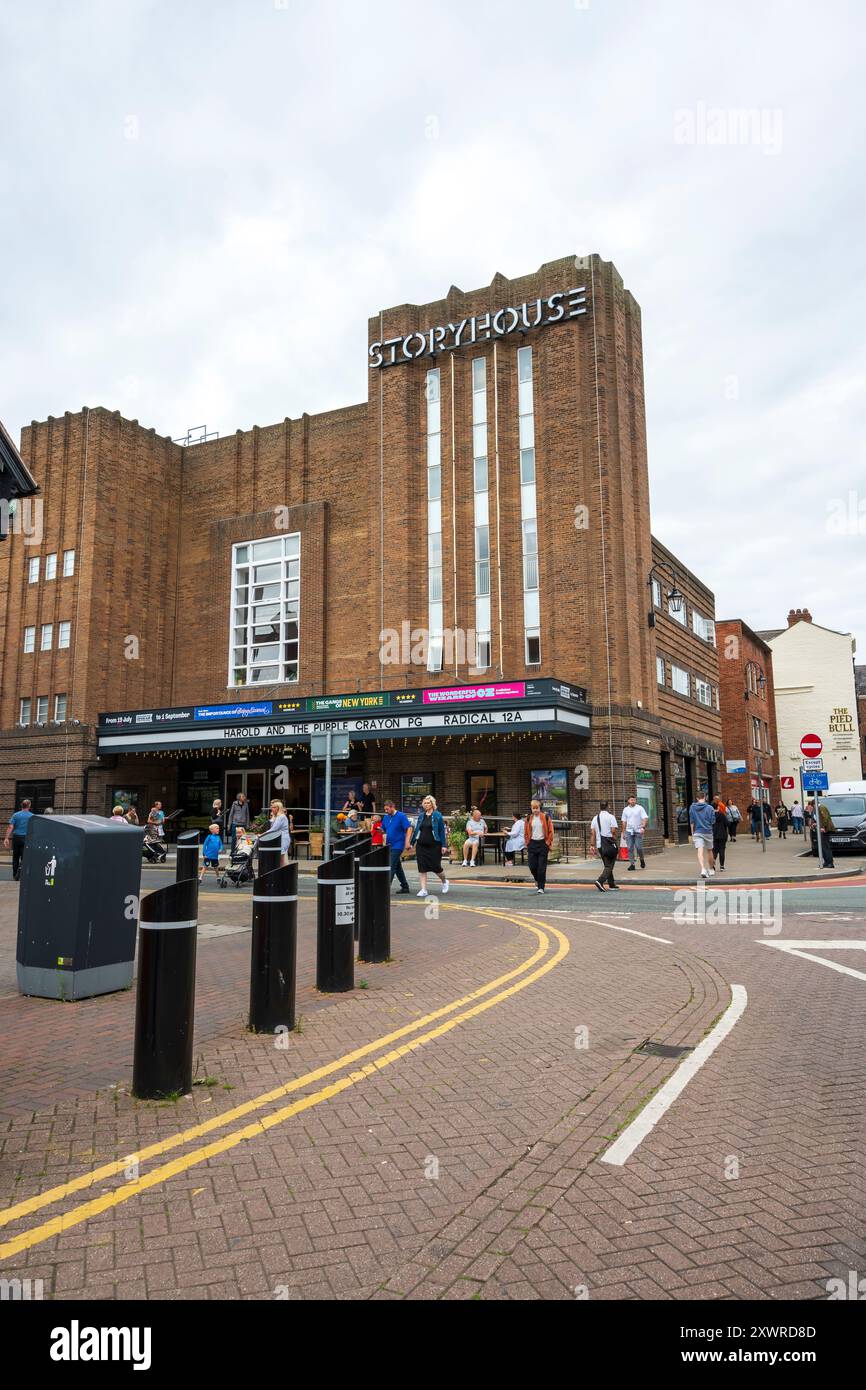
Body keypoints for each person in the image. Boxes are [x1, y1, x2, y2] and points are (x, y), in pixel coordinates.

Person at [410, 795, 449, 898]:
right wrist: (412, 842)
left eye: (428, 803)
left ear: (432, 804)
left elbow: (441, 831)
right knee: (422, 868)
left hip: (434, 845)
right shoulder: (421, 816)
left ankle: (444, 881)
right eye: (425, 803)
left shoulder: (437, 815)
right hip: (421, 846)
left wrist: (444, 845)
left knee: (436, 867)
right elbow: (417, 830)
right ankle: (423, 890)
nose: (426, 805)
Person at [524, 798, 555, 893]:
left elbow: (551, 831)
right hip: (532, 844)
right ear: (531, 809)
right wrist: (527, 843)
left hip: (542, 844)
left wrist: (547, 843)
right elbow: (525, 832)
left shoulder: (545, 817)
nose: (535, 810)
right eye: (533, 808)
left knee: (541, 867)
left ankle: (541, 887)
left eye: (537, 808)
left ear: (539, 808)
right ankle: (537, 880)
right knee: (532, 866)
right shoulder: (528, 818)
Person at [382, 799, 412, 894]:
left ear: (392, 807)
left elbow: (409, 828)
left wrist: (407, 842)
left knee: (391, 865)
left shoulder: (401, 816)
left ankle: (385, 889)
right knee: (397, 866)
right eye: (385, 809)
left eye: (387, 809)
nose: (386, 811)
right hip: (389, 844)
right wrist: (380, 830)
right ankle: (405, 886)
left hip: (398, 844)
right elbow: (384, 829)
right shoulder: (386, 817)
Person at [590, 801, 619, 892]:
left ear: (600, 807)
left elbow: (592, 833)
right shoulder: (611, 817)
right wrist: (614, 840)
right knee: (609, 865)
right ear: (608, 806)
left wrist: (592, 845)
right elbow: (613, 831)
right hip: (609, 844)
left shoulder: (595, 818)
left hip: (600, 845)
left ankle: (611, 884)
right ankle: (600, 881)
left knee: (607, 864)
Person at [688, 791, 716, 880]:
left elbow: (692, 822)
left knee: (699, 851)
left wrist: (692, 834)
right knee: (709, 851)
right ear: (705, 797)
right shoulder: (710, 808)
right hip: (708, 831)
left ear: (697, 798)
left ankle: (703, 869)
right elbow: (713, 821)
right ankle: (711, 869)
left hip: (697, 832)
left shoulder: (692, 807)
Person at [4, 798, 35, 880]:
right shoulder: (32, 816)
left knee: (15, 857)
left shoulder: (16, 815)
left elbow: (11, 827)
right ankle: (21, 873)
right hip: (26, 838)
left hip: (16, 838)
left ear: (22, 805)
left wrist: (6, 838)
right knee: (24, 857)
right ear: (29, 806)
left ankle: (15, 875)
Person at [620, 794, 648, 871]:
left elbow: (645, 818)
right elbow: (624, 821)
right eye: (631, 800)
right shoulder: (625, 809)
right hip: (629, 831)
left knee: (639, 847)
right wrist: (623, 832)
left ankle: (642, 859)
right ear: (628, 801)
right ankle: (632, 864)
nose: (633, 801)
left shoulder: (640, 808)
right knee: (630, 848)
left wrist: (643, 827)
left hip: (638, 831)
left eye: (634, 800)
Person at [269, 799, 291, 867]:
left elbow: (273, 829)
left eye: (273, 807)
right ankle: (285, 875)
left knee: (283, 859)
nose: (271, 808)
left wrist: (262, 835)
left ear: (278, 808)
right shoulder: (277, 816)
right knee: (282, 859)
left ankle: (286, 874)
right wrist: (273, 816)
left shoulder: (281, 817)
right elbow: (271, 825)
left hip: (283, 839)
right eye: (271, 806)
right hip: (280, 839)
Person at [711, 796, 729, 871]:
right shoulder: (722, 815)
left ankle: (712, 865)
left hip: (714, 835)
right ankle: (722, 867)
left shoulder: (711, 816)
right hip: (722, 835)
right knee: (722, 850)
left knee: (714, 851)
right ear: (718, 807)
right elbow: (728, 824)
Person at [817, 799, 835, 867]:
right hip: (823, 829)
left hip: (825, 829)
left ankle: (830, 862)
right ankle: (826, 862)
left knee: (825, 846)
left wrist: (823, 827)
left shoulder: (821, 807)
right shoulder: (819, 808)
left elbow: (825, 818)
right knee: (823, 846)